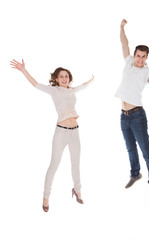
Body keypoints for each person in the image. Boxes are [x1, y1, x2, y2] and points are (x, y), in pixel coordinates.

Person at [10, 59, 94, 211]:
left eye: (66, 76)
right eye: (61, 76)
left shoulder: (72, 90)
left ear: (69, 78)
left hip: (75, 131)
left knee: (76, 163)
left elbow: (84, 86)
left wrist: (93, 78)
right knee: (54, 164)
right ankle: (46, 196)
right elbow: (35, 83)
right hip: (61, 132)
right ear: (56, 79)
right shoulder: (53, 90)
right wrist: (23, 70)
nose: (64, 78)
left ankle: (78, 190)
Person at [115, 19, 149, 201]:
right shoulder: (129, 62)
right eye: (138, 55)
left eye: (143, 56)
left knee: (146, 150)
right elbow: (124, 43)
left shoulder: (147, 71)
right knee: (130, 148)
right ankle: (135, 173)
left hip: (137, 116)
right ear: (135, 55)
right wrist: (122, 27)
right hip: (123, 116)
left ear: (147, 57)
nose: (140, 59)